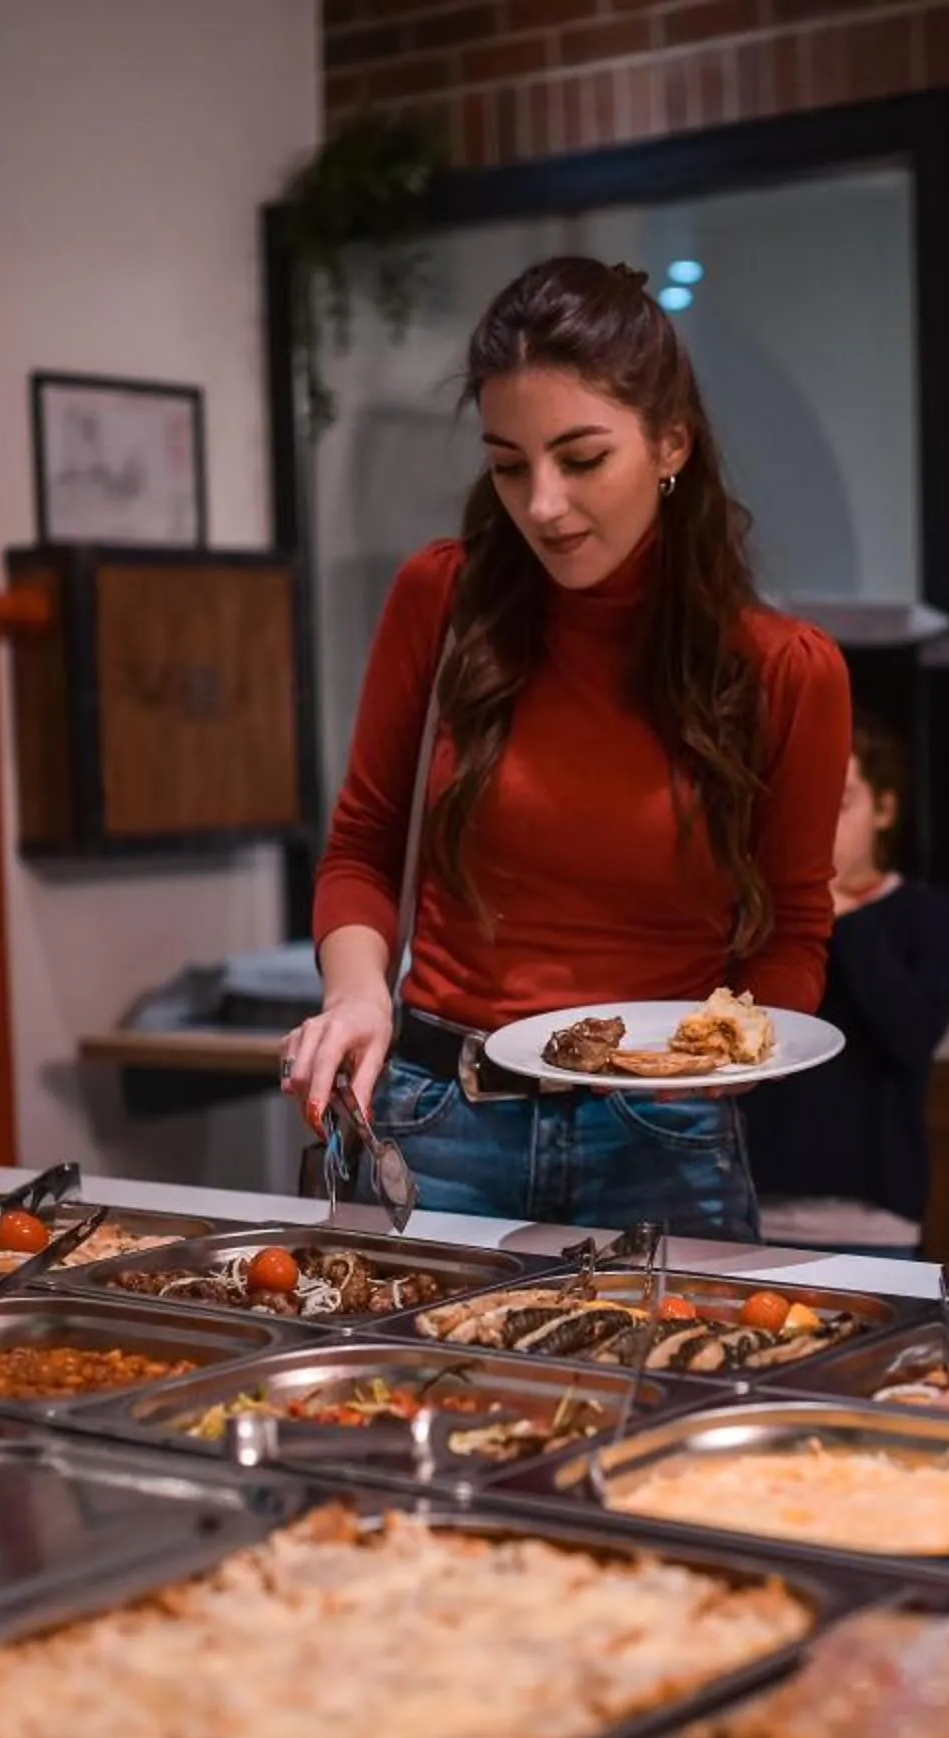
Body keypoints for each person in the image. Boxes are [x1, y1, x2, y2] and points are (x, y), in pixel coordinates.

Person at [283, 256, 852, 1241]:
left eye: (581, 459)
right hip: (438, 1122)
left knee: (680, 1396)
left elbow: (793, 930)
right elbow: (364, 847)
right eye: (510, 464)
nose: (542, 503)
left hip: (661, 1137)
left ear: (671, 442)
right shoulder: (443, 601)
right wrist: (356, 994)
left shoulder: (787, 671)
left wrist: (719, 1049)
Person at [744, 721, 949, 1252]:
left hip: (871, 1212)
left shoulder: (924, 913)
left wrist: (839, 915)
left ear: (884, 810)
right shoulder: (759, 917)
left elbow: (912, 1037)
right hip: (751, 1203)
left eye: (839, 804)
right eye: (804, 806)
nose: (819, 825)